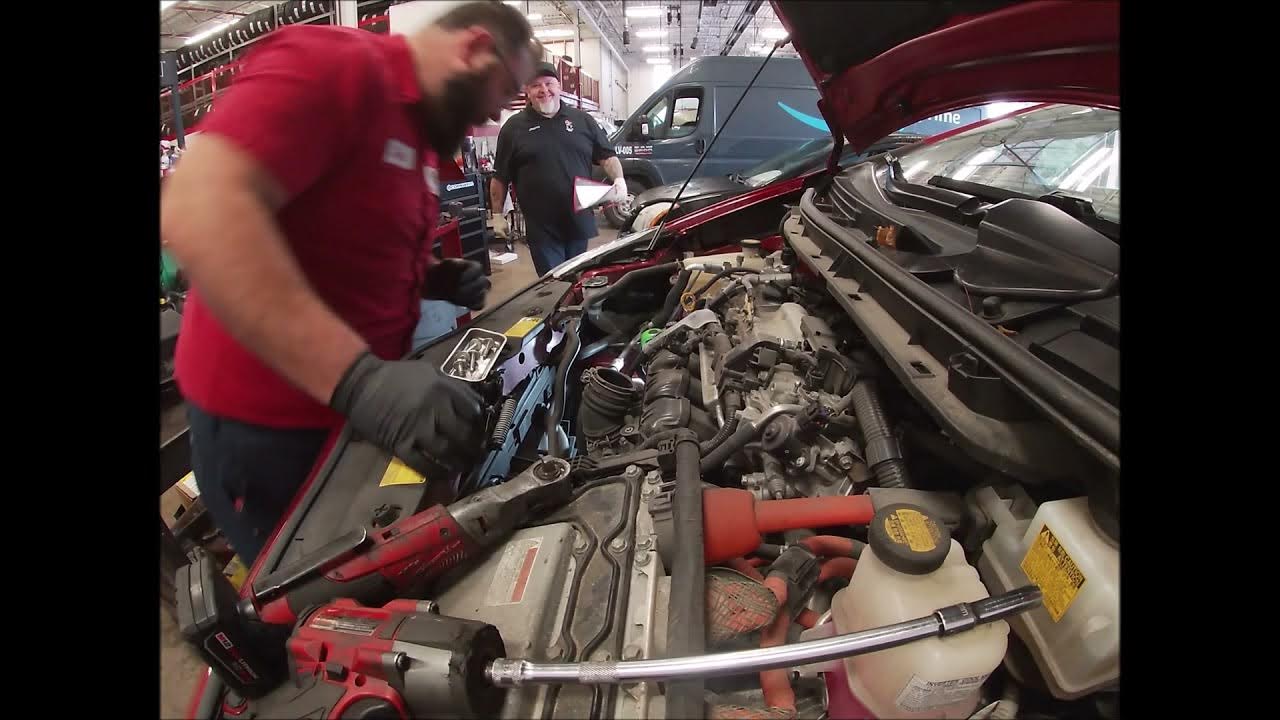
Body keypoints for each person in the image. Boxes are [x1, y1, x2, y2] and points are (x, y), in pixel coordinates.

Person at [160, 1, 539, 565]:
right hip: (271, 429)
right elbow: (198, 211)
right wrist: (357, 381)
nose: (484, 121)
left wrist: (430, 278)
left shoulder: (417, 131)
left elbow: (341, 239)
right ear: (474, 48)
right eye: (499, 91)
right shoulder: (334, 67)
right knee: (313, 613)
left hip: (352, 416)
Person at [489, 62, 626, 276]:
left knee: (578, 280)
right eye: (536, 85)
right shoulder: (513, 128)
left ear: (559, 87)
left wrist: (619, 180)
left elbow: (607, 156)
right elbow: (500, 177)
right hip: (541, 227)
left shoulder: (583, 121)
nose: (544, 90)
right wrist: (497, 215)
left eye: (549, 83)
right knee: (553, 283)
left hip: (577, 221)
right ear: (527, 90)